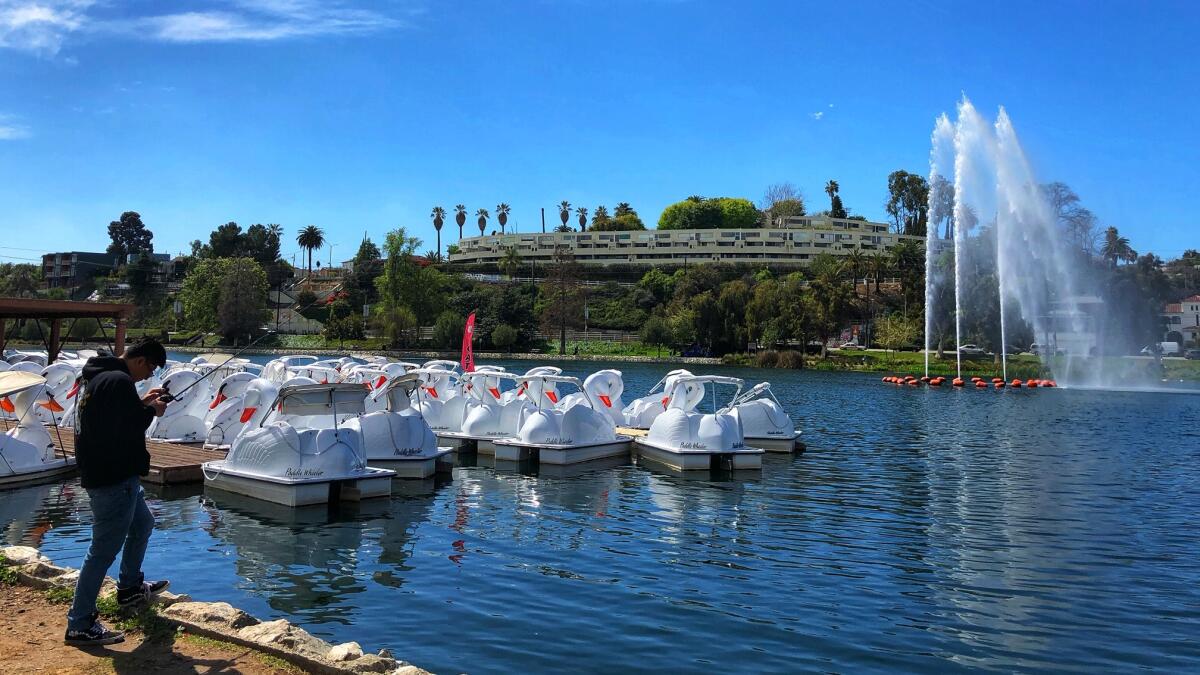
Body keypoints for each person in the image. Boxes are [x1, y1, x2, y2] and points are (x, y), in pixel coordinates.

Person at [64, 340, 170, 647]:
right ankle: (80, 623)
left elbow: (112, 420)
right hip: (113, 478)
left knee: (142, 525)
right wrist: (151, 410)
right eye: (149, 368)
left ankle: (129, 588)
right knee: (101, 552)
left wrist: (142, 404)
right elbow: (128, 426)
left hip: (114, 474)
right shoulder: (119, 380)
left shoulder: (103, 377)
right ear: (140, 360)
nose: (148, 375)